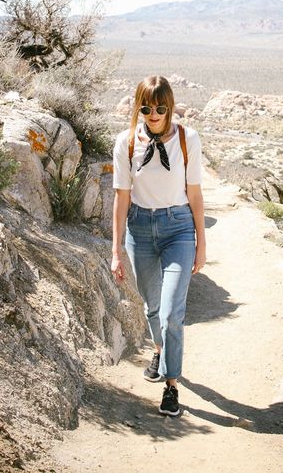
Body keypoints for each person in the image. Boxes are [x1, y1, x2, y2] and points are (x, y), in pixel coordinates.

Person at [111, 75, 206, 416]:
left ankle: (171, 386)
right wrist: (115, 249)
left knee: (171, 313)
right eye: (146, 108)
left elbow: (194, 194)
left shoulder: (187, 140)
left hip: (178, 228)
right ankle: (158, 349)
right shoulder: (127, 142)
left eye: (160, 108)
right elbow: (121, 198)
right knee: (152, 307)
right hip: (140, 229)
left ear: (170, 107)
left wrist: (201, 244)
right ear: (139, 107)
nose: (153, 114)